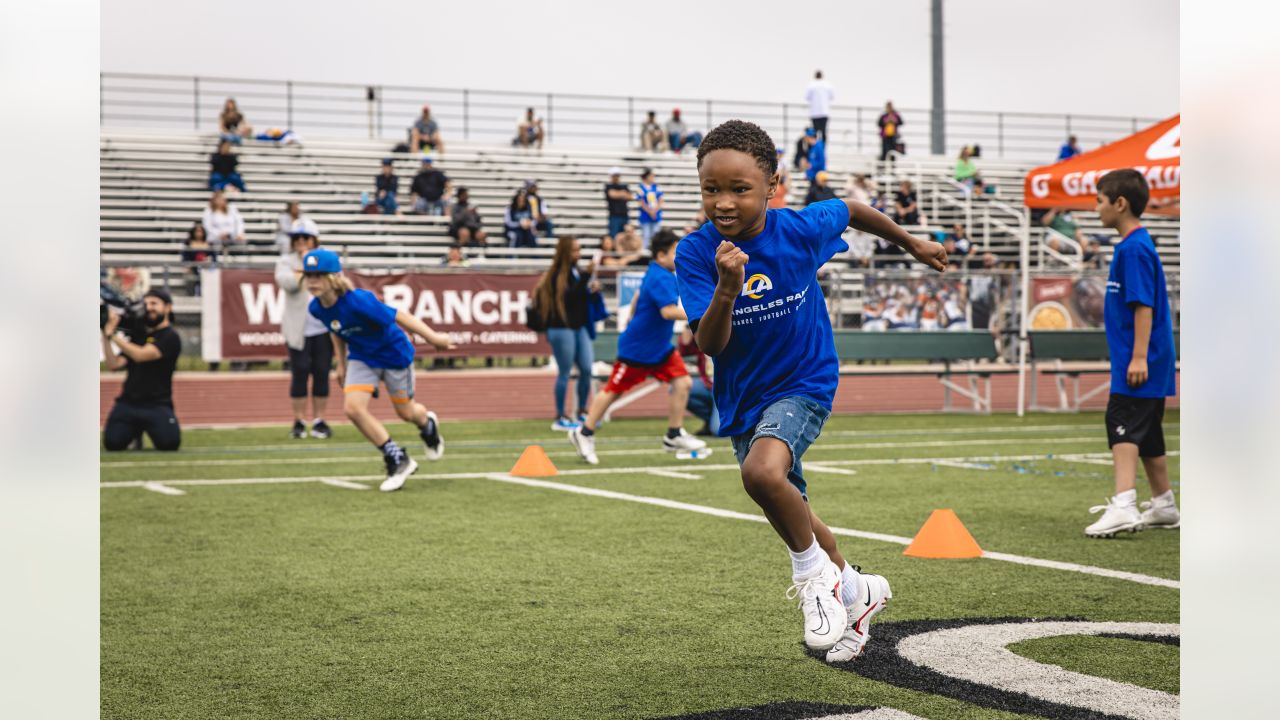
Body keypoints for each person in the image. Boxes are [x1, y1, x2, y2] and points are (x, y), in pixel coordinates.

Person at [671, 120, 946, 662]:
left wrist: (910, 241)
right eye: (711, 189)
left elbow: (850, 208)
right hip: (745, 395)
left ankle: (814, 580)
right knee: (783, 498)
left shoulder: (797, 228)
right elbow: (711, 344)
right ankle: (855, 588)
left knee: (760, 474)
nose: (723, 202)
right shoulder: (696, 253)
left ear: (773, 185)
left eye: (739, 189)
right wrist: (727, 288)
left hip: (805, 381)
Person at [302, 248, 451, 491]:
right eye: (308, 276)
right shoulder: (316, 308)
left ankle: (428, 425)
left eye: (318, 275)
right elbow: (335, 329)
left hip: (394, 356)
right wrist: (341, 362)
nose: (312, 281)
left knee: (406, 413)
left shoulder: (359, 300)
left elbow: (400, 316)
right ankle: (397, 458)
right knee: (352, 408)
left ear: (334, 277)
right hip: (362, 358)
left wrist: (434, 338)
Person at [1084, 169, 1180, 537]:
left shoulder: (1135, 248)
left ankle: (1124, 504)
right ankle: (1164, 504)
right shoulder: (1131, 246)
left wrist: (1138, 356)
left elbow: (1143, 307)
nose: (1096, 209)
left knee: (1121, 423)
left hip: (1141, 360)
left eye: (1099, 200)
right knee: (1149, 434)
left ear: (1119, 204)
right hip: (1147, 358)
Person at [569, 229, 708, 463]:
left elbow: (637, 297)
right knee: (613, 391)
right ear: (662, 255)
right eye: (675, 252)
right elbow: (668, 312)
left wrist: (633, 317)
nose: (679, 256)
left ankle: (673, 434)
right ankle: (584, 432)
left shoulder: (657, 272)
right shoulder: (661, 276)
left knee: (682, 382)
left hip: (659, 347)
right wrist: (703, 314)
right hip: (639, 349)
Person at [101, 289, 183, 451]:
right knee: (112, 443)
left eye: (154, 303)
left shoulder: (170, 336)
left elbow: (142, 355)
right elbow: (114, 365)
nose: (149, 308)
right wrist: (105, 333)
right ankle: (135, 433)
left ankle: (141, 430)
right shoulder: (139, 335)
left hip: (157, 404)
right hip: (128, 403)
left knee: (169, 444)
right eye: (146, 304)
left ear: (168, 307)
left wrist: (114, 337)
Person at [275, 219, 334, 440]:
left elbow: (334, 282)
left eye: (305, 238)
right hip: (298, 329)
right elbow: (287, 283)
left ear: (314, 239)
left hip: (322, 328)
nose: (301, 242)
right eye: (296, 238)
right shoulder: (285, 261)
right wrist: (305, 268)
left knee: (321, 373)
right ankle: (299, 420)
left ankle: (319, 420)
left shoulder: (325, 259)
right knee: (299, 373)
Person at [534, 236, 599, 431]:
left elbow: (578, 297)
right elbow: (568, 298)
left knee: (587, 369)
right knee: (564, 372)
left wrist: (592, 291)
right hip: (561, 328)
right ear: (564, 252)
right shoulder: (555, 275)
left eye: (579, 250)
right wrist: (587, 277)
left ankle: (581, 411)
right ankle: (560, 415)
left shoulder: (575, 272)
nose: (578, 255)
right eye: (574, 251)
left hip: (578, 328)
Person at [678, 329, 718, 437]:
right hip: (709, 384)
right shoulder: (703, 335)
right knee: (678, 389)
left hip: (729, 388)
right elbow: (685, 348)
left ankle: (734, 420)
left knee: (719, 431)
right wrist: (689, 324)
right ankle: (711, 420)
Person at [180, 222, 217, 296]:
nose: (199, 233)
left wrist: (208, 261)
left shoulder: (209, 244)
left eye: (200, 231)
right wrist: (188, 265)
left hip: (206, 267)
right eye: (197, 231)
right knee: (191, 275)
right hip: (193, 268)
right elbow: (185, 258)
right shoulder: (188, 244)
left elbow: (214, 258)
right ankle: (193, 293)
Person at [635, 168, 664, 247]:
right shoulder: (640, 187)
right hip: (645, 216)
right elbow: (641, 202)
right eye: (651, 176)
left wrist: (655, 210)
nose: (652, 178)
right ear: (646, 176)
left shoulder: (656, 187)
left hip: (656, 215)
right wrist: (650, 211)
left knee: (656, 234)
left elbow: (661, 200)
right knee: (646, 235)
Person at [805, 70, 834, 142]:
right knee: (823, 132)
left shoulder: (811, 85)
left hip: (814, 112)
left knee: (815, 132)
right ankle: (822, 148)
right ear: (822, 76)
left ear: (815, 76)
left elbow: (807, 97)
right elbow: (832, 96)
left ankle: (815, 148)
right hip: (824, 112)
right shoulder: (828, 85)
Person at [604, 167, 631, 238]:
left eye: (617, 175)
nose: (616, 177)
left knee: (625, 236)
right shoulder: (608, 186)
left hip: (624, 215)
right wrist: (622, 193)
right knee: (614, 235)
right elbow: (612, 194)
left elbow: (630, 197)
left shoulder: (624, 186)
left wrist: (618, 194)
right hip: (614, 215)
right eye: (615, 175)